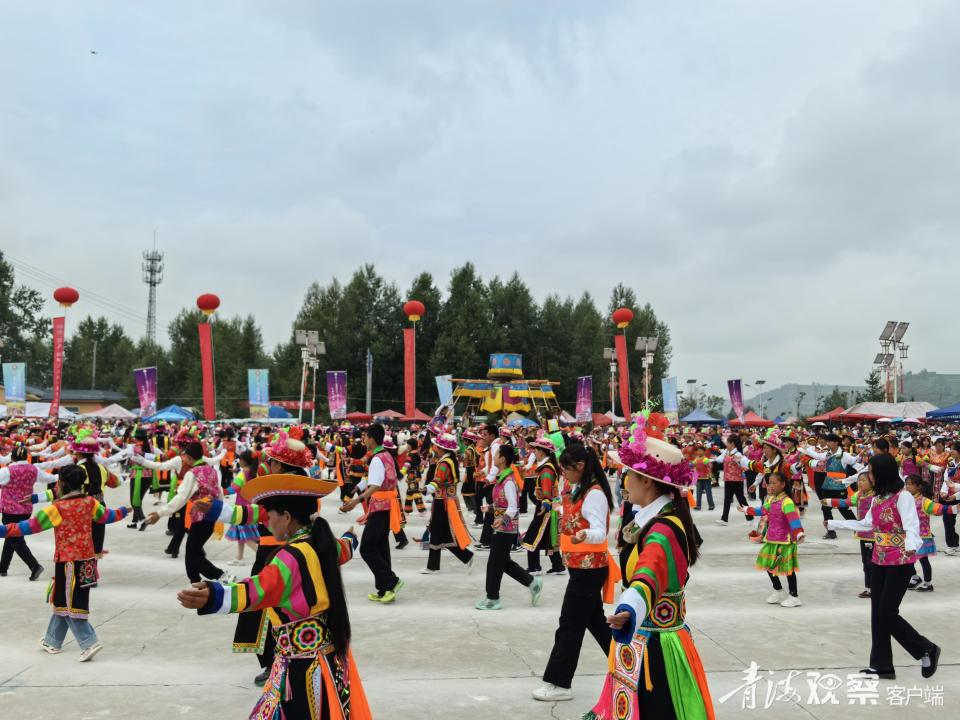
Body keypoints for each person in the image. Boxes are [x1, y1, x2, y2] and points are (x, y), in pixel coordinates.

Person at [177, 472, 371, 719]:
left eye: (269, 517)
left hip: (302, 666)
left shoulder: (290, 557)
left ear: (287, 517)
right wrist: (350, 537)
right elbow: (344, 550)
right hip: (329, 659)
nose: (266, 523)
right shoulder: (323, 542)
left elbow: (257, 590)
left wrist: (215, 596)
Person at [585, 414, 713, 719]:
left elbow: (648, 573)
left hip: (655, 648)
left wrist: (629, 607)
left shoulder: (662, 530)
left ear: (646, 480)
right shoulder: (654, 519)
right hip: (648, 638)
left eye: (628, 474)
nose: (623, 480)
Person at [826, 453, 941, 680]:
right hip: (878, 559)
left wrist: (911, 546)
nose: (868, 476)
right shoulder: (878, 497)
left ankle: (925, 648)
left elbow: (912, 527)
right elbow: (866, 523)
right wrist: (834, 523)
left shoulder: (903, 497)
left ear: (882, 473)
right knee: (877, 614)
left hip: (899, 562)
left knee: (886, 613)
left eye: (871, 472)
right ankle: (881, 667)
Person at [0, 464, 130, 661]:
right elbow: (108, 516)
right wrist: (123, 511)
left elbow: (26, 527)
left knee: (72, 604)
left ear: (61, 484)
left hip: (69, 562)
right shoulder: (90, 503)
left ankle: (89, 642)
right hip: (87, 561)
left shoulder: (57, 508)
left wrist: (2, 530)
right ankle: (52, 640)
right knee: (62, 600)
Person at [533, 441, 618, 703]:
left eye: (566, 469)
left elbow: (599, 530)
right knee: (596, 624)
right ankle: (630, 666)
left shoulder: (594, 493)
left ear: (580, 466)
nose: (563, 474)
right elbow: (572, 515)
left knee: (569, 625)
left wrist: (584, 534)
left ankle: (560, 683)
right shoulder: (577, 488)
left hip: (589, 568)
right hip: (579, 566)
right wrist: (556, 508)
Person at [141, 441, 231, 584]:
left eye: (185, 457)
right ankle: (195, 582)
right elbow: (218, 491)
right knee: (192, 552)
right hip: (211, 515)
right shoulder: (212, 470)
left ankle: (221, 576)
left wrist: (160, 513)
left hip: (201, 516)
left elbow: (181, 497)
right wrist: (220, 512)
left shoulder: (192, 473)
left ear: (189, 458)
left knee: (193, 555)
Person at [341, 423, 404, 603]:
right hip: (387, 505)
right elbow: (374, 478)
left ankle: (392, 581)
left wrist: (356, 500)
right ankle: (385, 590)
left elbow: (375, 485)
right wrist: (359, 487)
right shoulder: (386, 455)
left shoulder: (377, 458)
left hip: (380, 506)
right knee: (381, 547)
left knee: (367, 548)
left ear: (372, 438)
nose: (364, 440)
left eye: (366, 437)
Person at [476, 443, 542, 610]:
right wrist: (490, 508)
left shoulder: (509, 481)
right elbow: (503, 504)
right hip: (501, 527)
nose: (494, 456)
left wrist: (503, 520)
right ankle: (532, 582)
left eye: (497, 454)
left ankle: (493, 598)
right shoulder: (502, 478)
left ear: (503, 459)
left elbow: (513, 506)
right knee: (502, 562)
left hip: (506, 529)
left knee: (495, 564)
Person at [738, 471, 804, 607]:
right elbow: (762, 510)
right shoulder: (771, 499)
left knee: (787, 568)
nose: (771, 486)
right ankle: (778, 590)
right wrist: (746, 509)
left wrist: (798, 533)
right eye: (769, 483)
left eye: (774, 483)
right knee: (768, 564)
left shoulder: (787, 502)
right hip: (772, 538)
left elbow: (793, 519)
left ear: (783, 484)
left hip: (785, 540)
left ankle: (794, 596)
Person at [0, 444, 59, 580]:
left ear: (13, 457)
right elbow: (50, 478)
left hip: (10, 510)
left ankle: (34, 566)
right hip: (26, 509)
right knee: (13, 537)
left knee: (14, 538)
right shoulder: (34, 469)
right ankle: (3, 567)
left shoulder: (7, 471)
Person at [421, 433, 475, 574]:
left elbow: (438, 479)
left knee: (440, 533)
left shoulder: (444, 463)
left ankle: (465, 556)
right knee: (439, 533)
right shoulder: (449, 460)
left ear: (441, 448)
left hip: (443, 501)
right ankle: (435, 565)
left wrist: (427, 489)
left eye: (436, 445)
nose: (434, 447)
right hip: (444, 500)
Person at [822, 470, 876, 597]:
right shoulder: (859, 494)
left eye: (864, 480)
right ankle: (869, 588)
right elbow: (845, 502)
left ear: (872, 482)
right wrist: (829, 501)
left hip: (876, 534)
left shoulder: (876, 496)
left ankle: (876, 587)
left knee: (874, 562)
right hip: (864, 533)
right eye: (859, 480)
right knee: (866, 562)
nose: (860, 483)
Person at [521, 433, 565, 576]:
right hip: (549, 506)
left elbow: (546, 491)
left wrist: (545, 504)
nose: (534, 452)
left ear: (542, 451)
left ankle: (534, 567)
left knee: (532, 535)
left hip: (545, 508)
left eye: (536, 450)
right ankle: (558, 566)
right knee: (549, 537)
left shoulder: (546, 470)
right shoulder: (547, 466)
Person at [716, 434, 748, 526]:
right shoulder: (727, 452)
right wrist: (711, 460)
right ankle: (724, 519)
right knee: (727, 500)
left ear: (732, 444)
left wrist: (739, 461)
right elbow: (719, 460)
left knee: (741, 500)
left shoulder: (737, 454)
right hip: (728, 479)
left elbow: (745, 465)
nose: (726, 444)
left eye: (728, 443)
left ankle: (750, 517)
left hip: (737, 480)